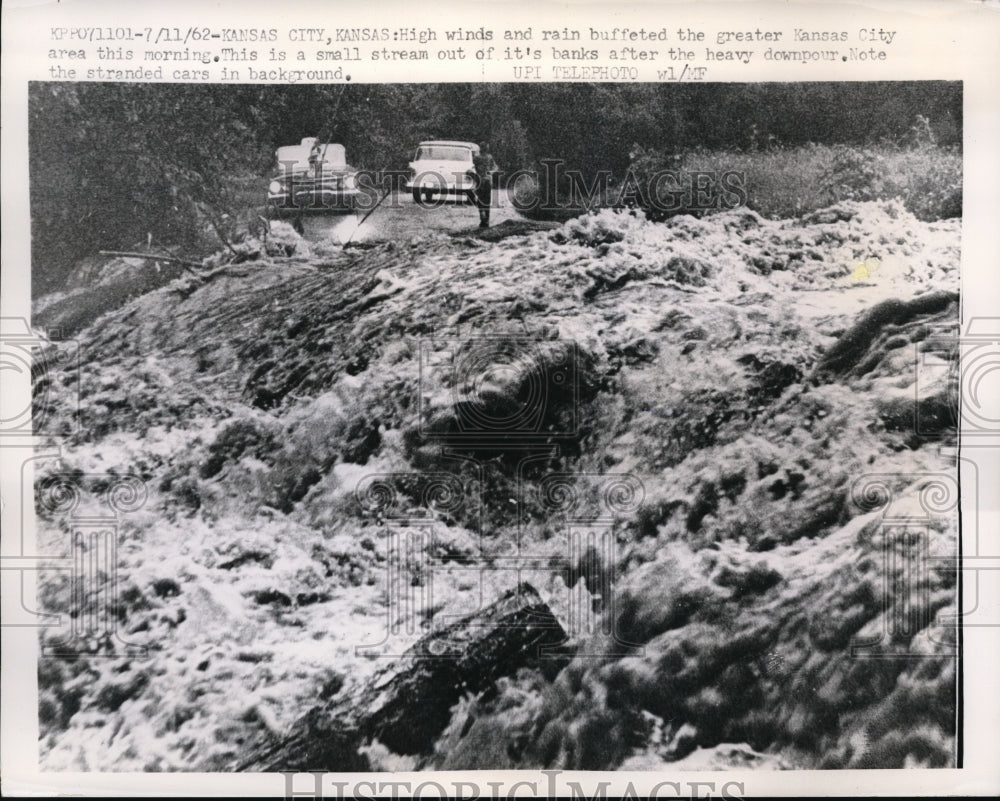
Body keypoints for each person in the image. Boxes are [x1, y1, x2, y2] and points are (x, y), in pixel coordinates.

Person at [471, 141, 498, 228]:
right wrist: (491, 172)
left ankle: (482, 217)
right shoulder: (490, 157)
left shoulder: (476, 158)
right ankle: (486, 220)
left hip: (479, 180)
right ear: (487, 148)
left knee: (480, 199)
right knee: (487, 200)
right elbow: (495, 167)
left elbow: (473, 167)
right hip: (488, 181)